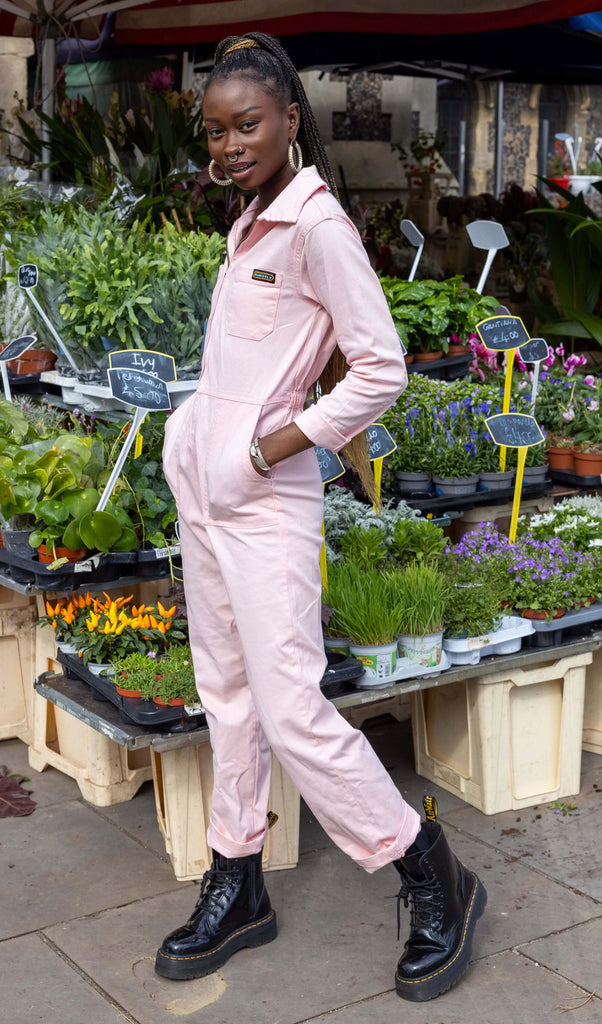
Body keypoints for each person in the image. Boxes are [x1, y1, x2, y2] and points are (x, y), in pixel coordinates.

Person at [157, 31, 486, 1002]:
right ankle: (238, 876)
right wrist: (200, 437)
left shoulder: (314, 226)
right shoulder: (249, 221)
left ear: (290, 120)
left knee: (293, 710)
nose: (227, 145)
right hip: (206, 499)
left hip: (265, 504)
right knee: (227, 694)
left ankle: (431, 872)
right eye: (215, 130)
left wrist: (272, 446)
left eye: (245, 125)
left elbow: (380, 366)